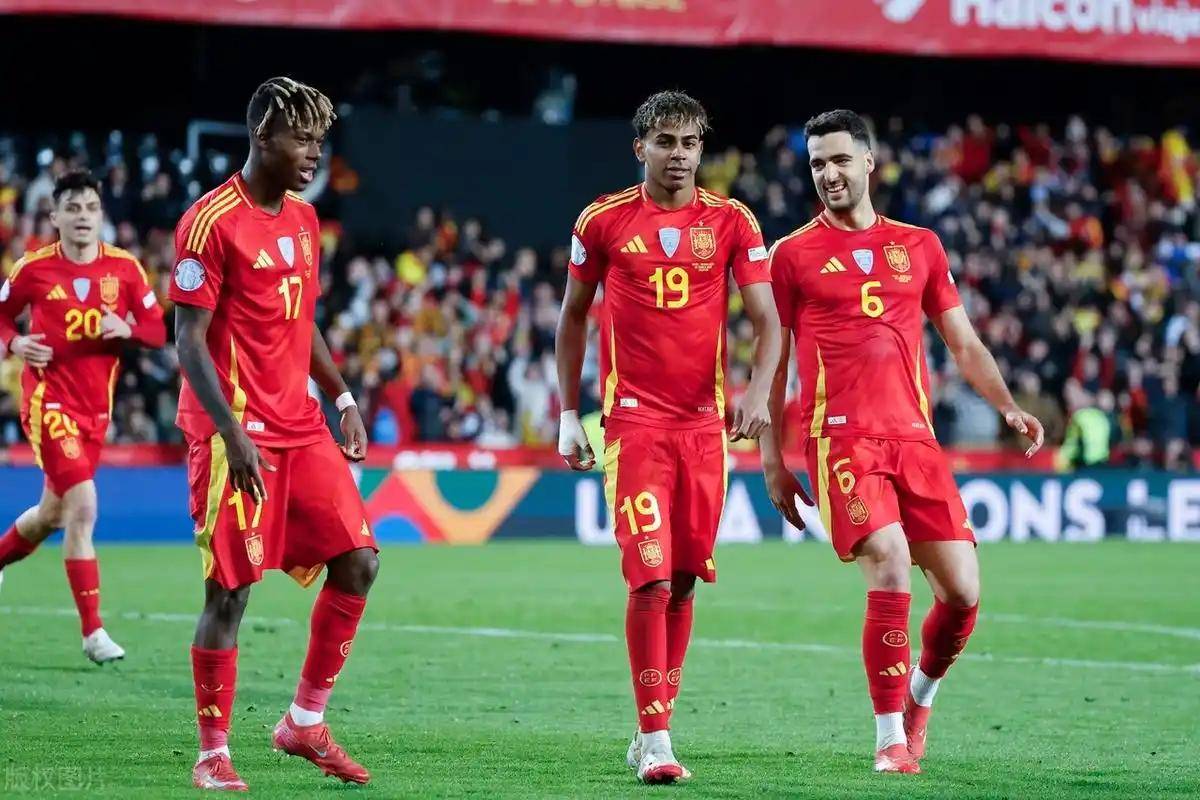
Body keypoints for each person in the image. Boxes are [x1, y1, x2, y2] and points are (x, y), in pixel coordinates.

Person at [760, 110, 1044, 774]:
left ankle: (919, 699)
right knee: (888, 561)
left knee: (963, 594)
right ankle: (889, 737)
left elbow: (962, 342)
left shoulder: (919, 246)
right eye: (817, 164)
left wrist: (1007, 405)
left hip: (915, 439)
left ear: (869, 161)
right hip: (841, 441)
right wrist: (772, 458)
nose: (828, 174)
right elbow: (772, 361)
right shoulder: (791, 255)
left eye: (839, 159)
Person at [555, 90, 781, 784]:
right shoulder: (602, 220)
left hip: (704, 429)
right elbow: (572, 317)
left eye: (689, 143)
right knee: (649, 574)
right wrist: (567, 414)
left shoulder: (733, 221)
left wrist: (756, 393)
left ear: (701, 149)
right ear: (641, 148)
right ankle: (657, 740)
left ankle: (651, 727)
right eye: (665, 142)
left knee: (682, 581)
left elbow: (769, 322)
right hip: (633, 426)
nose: (678, 155)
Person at [170, 77, 379, 791]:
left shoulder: (304, 220)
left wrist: (341, 394)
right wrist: (231, 433)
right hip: (235, 430)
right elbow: (188, 340)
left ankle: (304, 721)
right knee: (229, 591)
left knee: (359, 561)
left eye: (320, 140)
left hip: (300, 423)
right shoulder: (209, 222)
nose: (315, 153)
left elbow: (301, 319)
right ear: (262, 136)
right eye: (302, 139)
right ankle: (212, 753)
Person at [0, 169, 165, 663]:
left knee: (53, 513)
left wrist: (129, 329)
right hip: (48, 404)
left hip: (96, 413)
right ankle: (93, 633)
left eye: (90, 208)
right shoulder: (33, 269)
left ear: (101, 215)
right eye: (71, 208)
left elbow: (158, 329)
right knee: (84, 507)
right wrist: (15, 343)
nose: (82, 217)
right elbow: (2, 316)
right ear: (54, 217)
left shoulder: (126, 270)